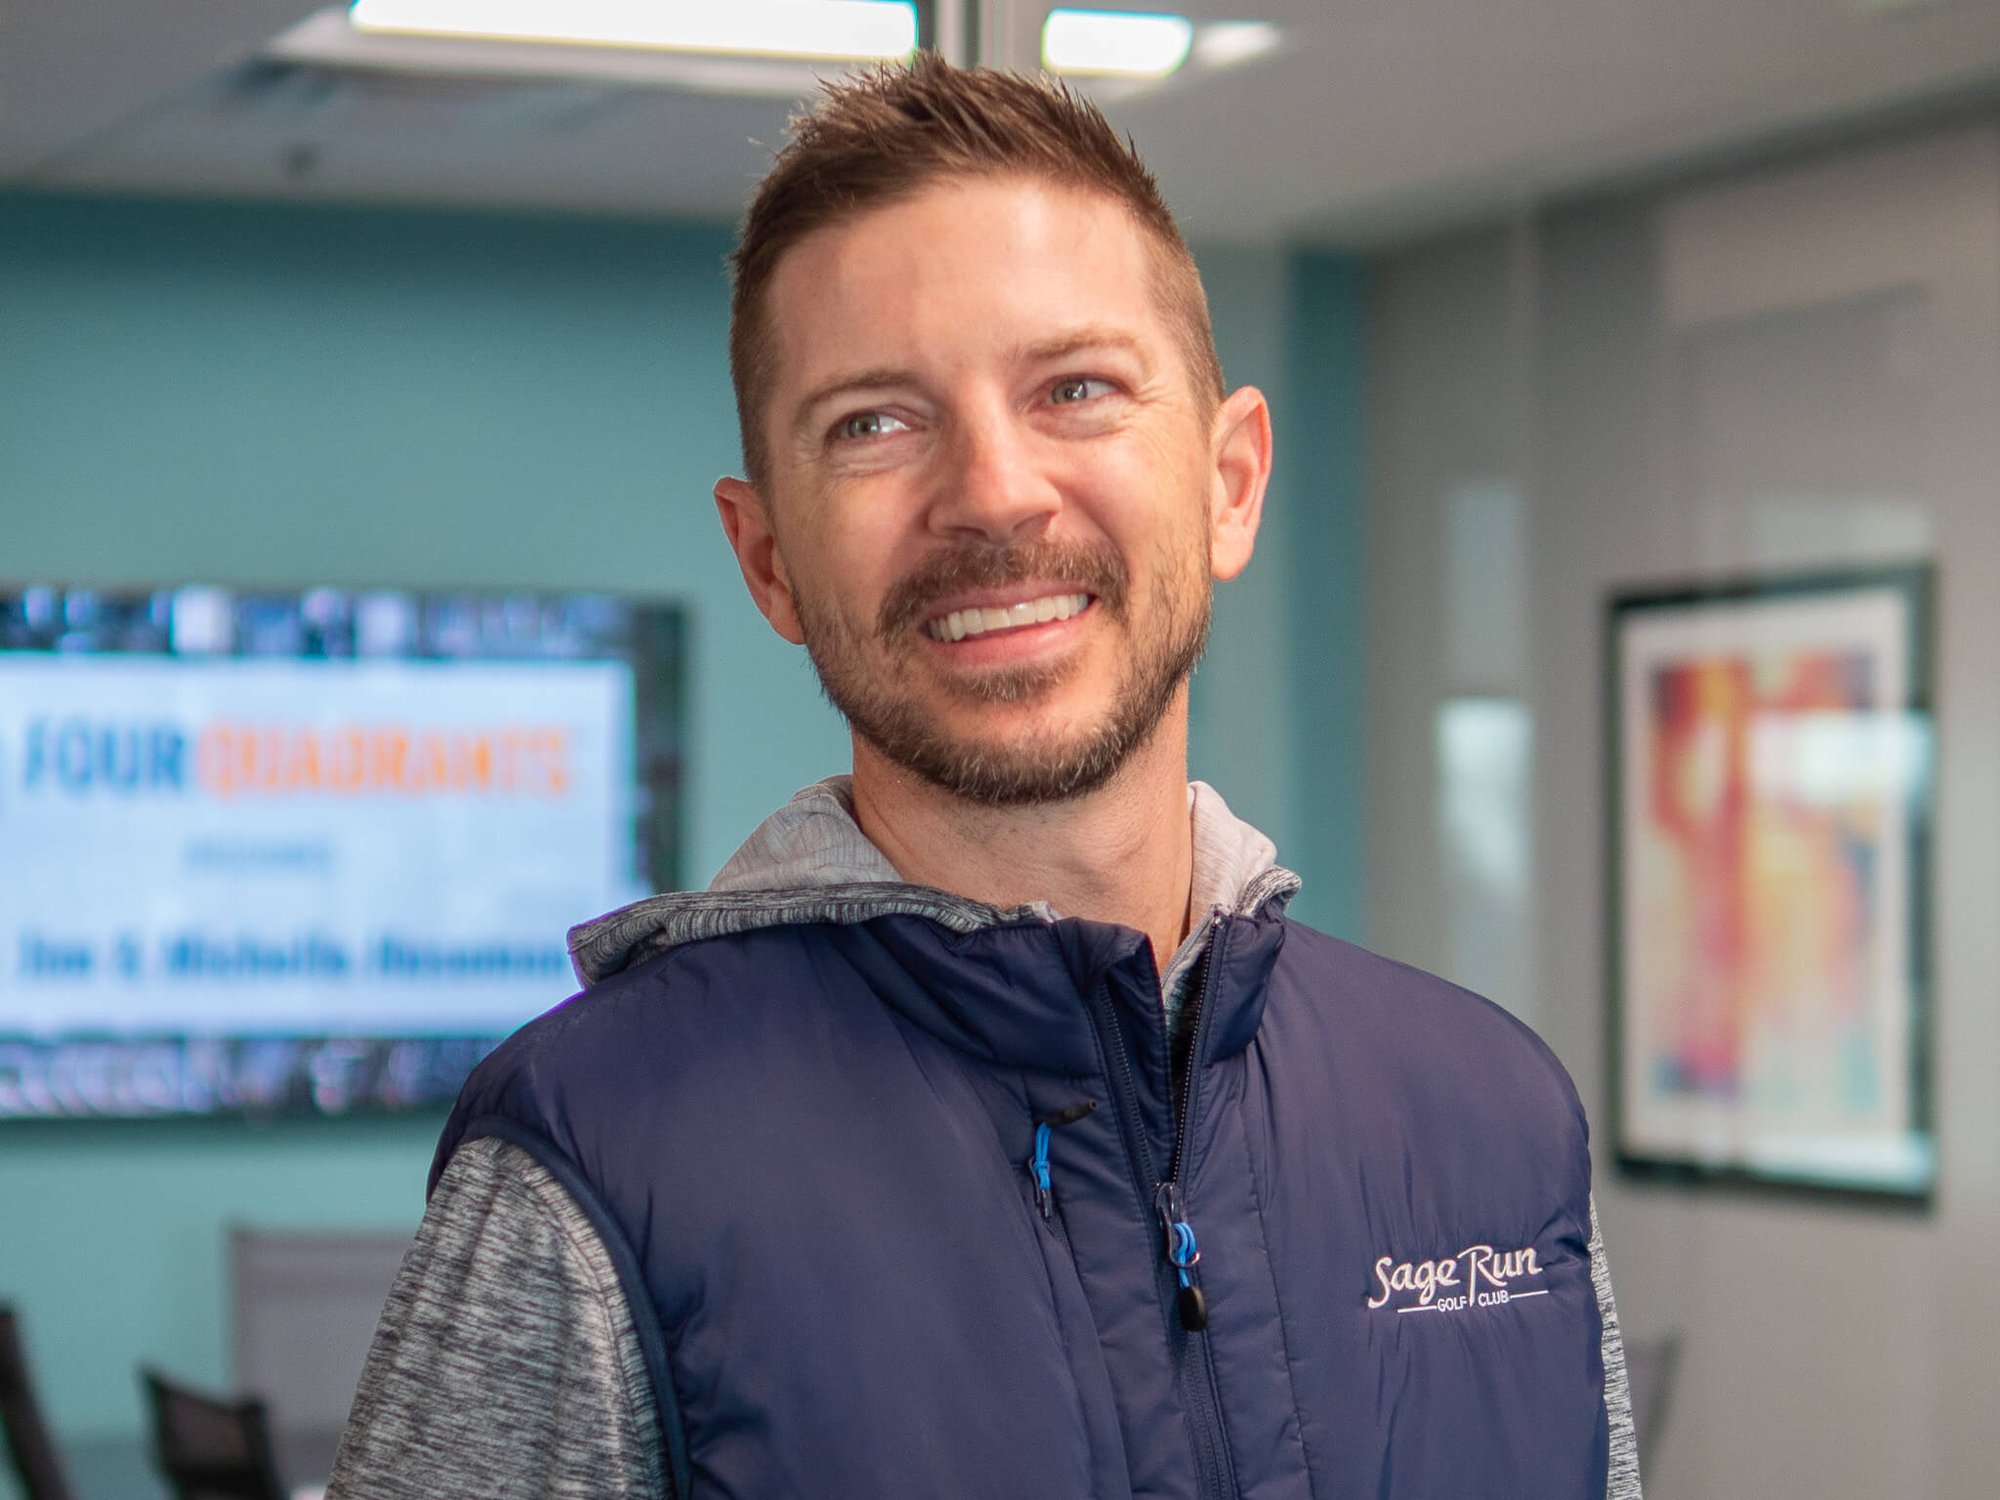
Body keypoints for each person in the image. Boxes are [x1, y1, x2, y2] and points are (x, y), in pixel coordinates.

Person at [328, 55, 1641, 1500]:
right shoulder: (594, 1164)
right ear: (769, 559)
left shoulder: (1489, 1120)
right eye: (874, 423)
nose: (994, 493)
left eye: (1076, 388)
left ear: (1231, 483)